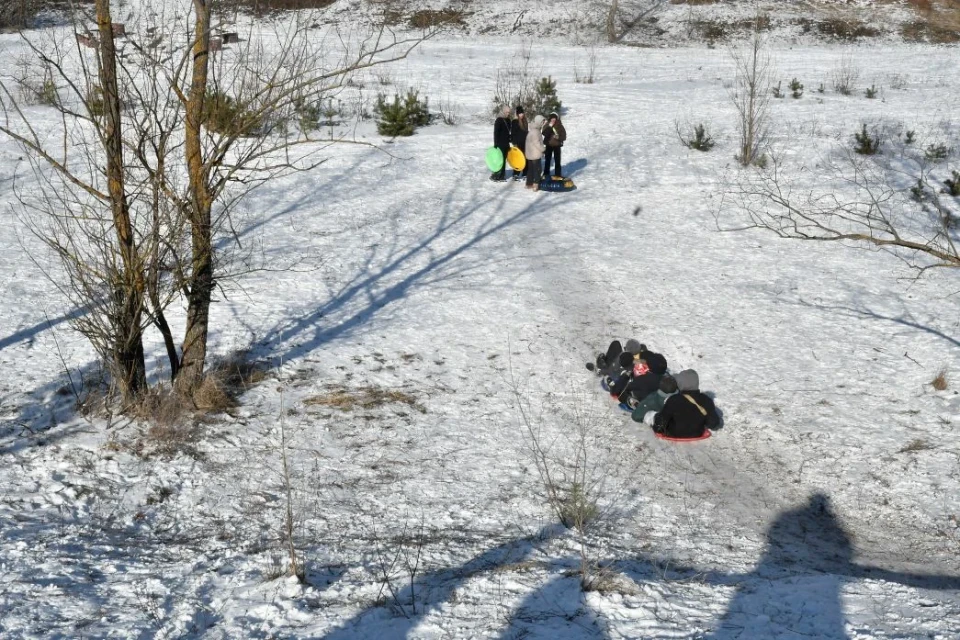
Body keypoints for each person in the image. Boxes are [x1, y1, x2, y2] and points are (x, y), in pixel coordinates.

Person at [652, 369, 720, 438]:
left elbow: (659, 426)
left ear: (681, 383)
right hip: (697, 433)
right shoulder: (706, 400)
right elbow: (714, 424)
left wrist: (655, 419)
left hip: (673, 433)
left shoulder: (674, 400)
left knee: (659, 415)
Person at [541, 112, 566, 178]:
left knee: (557, 161)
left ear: (556, 119)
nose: (553, 120)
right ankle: (546, 174)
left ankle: (558, 174)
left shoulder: (560, 126)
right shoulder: (547, 125)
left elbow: (564, 136)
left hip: (557, 146)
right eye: (552, 119)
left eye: (554, 119)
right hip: (548, 145)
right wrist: (550, 126)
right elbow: (544, 133)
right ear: (550, 119)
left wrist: (558, 137)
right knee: (547, 160)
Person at [525, 114, 546, 190]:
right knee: (537, 169)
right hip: (535, 154)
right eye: (542, 122)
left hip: (530, 154)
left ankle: (529, 183)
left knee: (530, 169)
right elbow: (537, 143)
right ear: (539, 122)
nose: (543, 123)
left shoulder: (532, 130)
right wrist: (543, 149)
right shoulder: (536, 132)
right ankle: (535, 185)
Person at [491, 105, 512, 182]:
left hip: (506, 144)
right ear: (503, 111)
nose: (508, 114)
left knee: (504, 160)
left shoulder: (508, 120)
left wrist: (510, 138)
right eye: (507, 112)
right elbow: (496, 133)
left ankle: (501, 175)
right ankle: (497, 175)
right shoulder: (499, 120)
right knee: (499, 160)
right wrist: (495, 144)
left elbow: (509, 131)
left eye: (509, 112)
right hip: (500, 144)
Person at [511, 106, 529, 182]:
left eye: (522, 113)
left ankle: (525, 173)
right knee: (518, 159)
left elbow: (526, 132)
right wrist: (514, 143)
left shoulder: (525, 122)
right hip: (518, 144)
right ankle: (516, 173)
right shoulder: (515, 122)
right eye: (520, 113)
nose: (521, 115)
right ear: (517, 114)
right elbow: (513, 133)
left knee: (526, 158)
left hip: (525, 143)